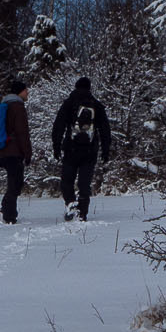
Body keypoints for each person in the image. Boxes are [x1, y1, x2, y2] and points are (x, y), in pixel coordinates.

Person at [51, 76, 112, 222]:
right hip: (90, 150)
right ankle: (82, 212)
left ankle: (70, 204)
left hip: (71, 149)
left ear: (76, 87)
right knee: (84, 182)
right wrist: (105, 149)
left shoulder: (69, 103)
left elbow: (58, 126)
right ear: (89, 88)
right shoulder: (96, 105)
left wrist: (57, 146)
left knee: (67, 180)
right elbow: (105, 129)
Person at [0, 79, 32, 224]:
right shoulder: (18, 107)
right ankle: (8, 215)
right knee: (16, 182)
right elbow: (22, 132)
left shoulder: (5, 106)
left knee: (14, 181)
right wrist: (28, 153)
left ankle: (6, 210)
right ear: (19, 92)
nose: (27, 92)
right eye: (25, 90)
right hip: (14, 152)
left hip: (3, 150)